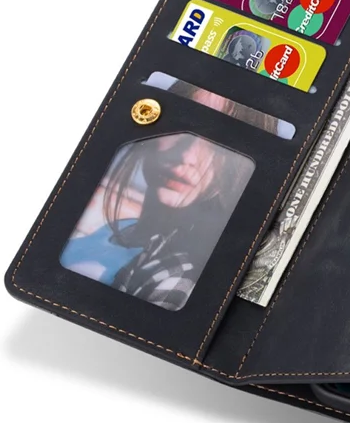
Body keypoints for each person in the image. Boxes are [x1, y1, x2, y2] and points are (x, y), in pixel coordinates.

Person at [61, 100, 254, 309]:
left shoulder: (177, 277)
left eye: (219, 143)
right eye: (183, 124)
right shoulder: (125, 227)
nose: (187, 156)